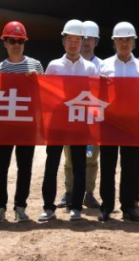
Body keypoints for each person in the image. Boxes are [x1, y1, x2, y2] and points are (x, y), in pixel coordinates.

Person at [42, 19, 98, 223]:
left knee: (79, 165)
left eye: (77, 40)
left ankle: (76, 207)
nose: (73, 44)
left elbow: (95, 96)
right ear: (64, 41)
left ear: (82, 42)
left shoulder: (90, 68)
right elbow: (46, 94)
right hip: (57, 122)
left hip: (79, 122)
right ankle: (48, 207)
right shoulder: (54, 66)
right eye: (70, 40)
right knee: (52, 164)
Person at [0, 21, 44, 223]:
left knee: (25, 168)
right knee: (1, 168)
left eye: (20, 41)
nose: (16, 45)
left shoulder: (36, 65)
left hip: (27, 125)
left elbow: (46, 95)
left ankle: (20, 206)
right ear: (5, 43)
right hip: (5, 126)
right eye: (12, 41)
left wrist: (38, 81)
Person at [98, 22, 139, 223]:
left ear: (134, 43)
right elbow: (93, 94)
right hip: (109, 123)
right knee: (107, 166)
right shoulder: (103, 66)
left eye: (128, 39)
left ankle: (128, 206)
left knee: (131, 167)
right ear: (114, 42)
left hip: (132, 124)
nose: (124, 43)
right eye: (120, 40)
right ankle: (106, 206)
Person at [62, 20, 102, 211]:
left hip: (91, 120)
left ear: (95, 41)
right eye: (83, 40)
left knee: (91, 158)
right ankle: (69, 192)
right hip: (70, 117)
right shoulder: (63, 64)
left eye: (89, 39)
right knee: (70, 159)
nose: (86, 43)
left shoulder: (100, 66)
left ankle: (89, 193)